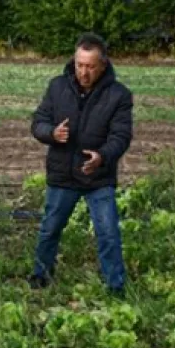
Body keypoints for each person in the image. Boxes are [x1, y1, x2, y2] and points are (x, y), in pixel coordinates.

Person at [27, 33, 133, 295]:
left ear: (103, 65)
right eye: (79, 65)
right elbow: (38, 122)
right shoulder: (57, 87)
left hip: (98, 177)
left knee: (108, 233)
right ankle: (41, 276)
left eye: (90, 66)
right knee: (50, 228)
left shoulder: (119, 96)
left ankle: (115, 286)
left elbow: (121, 136)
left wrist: (102, 157)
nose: (83, 72)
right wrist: (51, 133)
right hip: (63, 174)